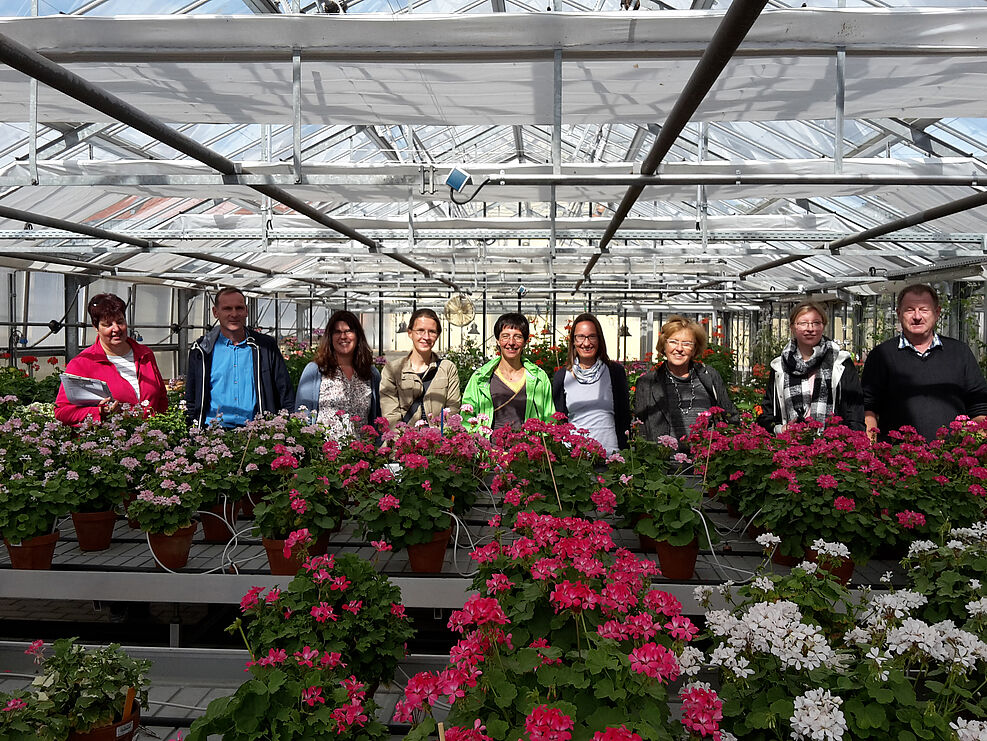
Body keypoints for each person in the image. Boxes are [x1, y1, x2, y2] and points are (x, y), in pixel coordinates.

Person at [862, 284, 987, 441]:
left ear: (937, 313)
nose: (917, 316)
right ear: (899, 313)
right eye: (910, 310)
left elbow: (979, 405)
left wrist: (975, 444)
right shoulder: (881, 355)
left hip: (951, 457)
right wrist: (872, 446)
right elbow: (868, 407)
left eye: (924, 309)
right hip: (897, 458)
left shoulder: (960, 353)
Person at [185, 287, 294, 428]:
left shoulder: (265, 347)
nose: (234, 314)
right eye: (227, 309)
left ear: (246, 311)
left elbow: (284, 391)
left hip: (257, 433)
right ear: (215, 312)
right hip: (213, 432)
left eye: (239, 308)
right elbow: (192, 397)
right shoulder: (202, 350)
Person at [55, 293, 168, 426]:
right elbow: (62, 412)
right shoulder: (83, 363)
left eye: (120, 322)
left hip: (151, 441)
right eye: (108, 324)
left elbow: (161, 399)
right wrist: (99, 412)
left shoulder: (145, 355)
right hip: (109, 442)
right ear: (96, 327)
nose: (116, 329)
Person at [756, 302, 865, 434]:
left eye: (816, 323)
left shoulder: (840, 362)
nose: (810, 328)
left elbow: (854, 410)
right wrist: (781, 429)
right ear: (792, 327)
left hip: (833, 448)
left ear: (823, 326)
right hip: (791, 446)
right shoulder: (780, 366)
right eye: (803, 323)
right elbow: (767, 412)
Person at [635, 315, 739, 448]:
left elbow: (731, 417)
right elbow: (641, 429)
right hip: (663, 465)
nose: (679, 348)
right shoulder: (647, 383)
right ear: (664, 345)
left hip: (705, 465)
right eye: (673, 342)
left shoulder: (709, 376)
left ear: (694, 349)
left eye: (686, 344)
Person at [295, 309, 382, 439]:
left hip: (361, 454)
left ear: (358, 336)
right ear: (330, 337)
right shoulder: (316, 370)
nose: (343, 336)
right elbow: (302, 416)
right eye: (337, 332)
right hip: (323, 454)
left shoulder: (370, 373)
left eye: (348, 331)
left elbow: (376, 418)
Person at [551, 313, 631, 453]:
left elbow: (624, 417)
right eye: (580, 337)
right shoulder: (562, 376)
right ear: (573, 341)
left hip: (610, 458)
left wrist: (624, 453)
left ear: (599, 339)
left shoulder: (614, 372)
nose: (586, 343)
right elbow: (561, 422)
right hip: (576, 461)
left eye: (592, 336)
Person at [462, 312, 553, 431]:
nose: (511, 342)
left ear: (526, 342)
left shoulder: (539, 378)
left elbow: (550, 419)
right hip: (489, 448)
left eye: (518, 336)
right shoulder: (480, 377)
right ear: (498, 341)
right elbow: (467, 417)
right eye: (505, 336)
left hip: (527, 448)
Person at [380, 308, 461, 428]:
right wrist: (407, 443)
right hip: (404, 443)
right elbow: (391, 416)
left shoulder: (447, 368)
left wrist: (439, 440)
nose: (426, 337)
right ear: (410, 333)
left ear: (437, 335)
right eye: (420, 331)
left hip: (439, 443)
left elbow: (452, 410)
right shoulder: (392, 370)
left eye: (432, 332)